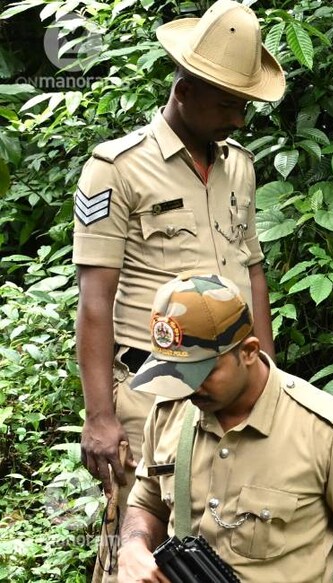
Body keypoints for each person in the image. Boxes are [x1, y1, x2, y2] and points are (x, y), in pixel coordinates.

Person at [72, 1, 282, 578]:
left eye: (244, 106)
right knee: (141, 545)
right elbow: (95, 301)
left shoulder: (240, 166)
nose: (239, 120)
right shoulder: (117, 168)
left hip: (235, 385)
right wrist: (100, 416)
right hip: (153, 391)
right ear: (184, 90)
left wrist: (268, 375)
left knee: (227, 540)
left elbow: (253, 272)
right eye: (227, 104)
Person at [116, 273, 333, 582]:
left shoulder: (329, 431)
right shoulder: (169, 412)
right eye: (175, 373)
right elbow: (147, 505)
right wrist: (133, 546)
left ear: (249, 351)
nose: (188, 387)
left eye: (200, 372)